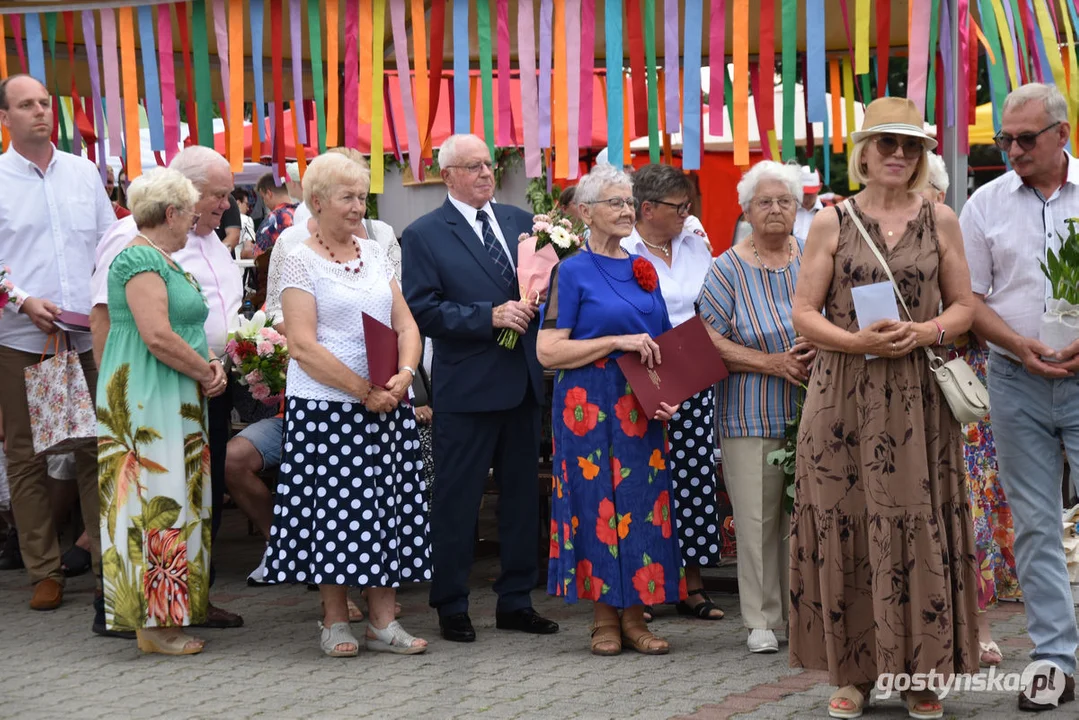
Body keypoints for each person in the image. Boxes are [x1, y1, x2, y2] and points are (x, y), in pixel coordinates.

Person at [789, 96, 979, 719]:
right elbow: (804, 313)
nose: (898, 155)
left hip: (920, 398)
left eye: (911, 146)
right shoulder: (831, 222)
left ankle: (924, 674)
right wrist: (854, 342)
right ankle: (855, 675)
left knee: (919, 523)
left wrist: (926, 333)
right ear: (863, 152)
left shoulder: (941, 218)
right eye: (886, 143)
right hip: (843, 394)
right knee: (848, 523)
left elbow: (964, 308)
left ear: (922, 155)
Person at [264, 152, 431, 657]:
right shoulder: (299, 257)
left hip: (387, 402)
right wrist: (364, 390)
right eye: (348, 197)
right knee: (333, 515)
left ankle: (383, 623)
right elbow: (302, 344)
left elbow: (406, 324)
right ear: (317, 202)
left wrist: (403, 377)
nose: (359, 207)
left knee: (386, 512)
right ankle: (335, 621)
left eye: (362, 197)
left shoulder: (376, 251)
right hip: (328, 409)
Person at [402, 133, 559, 642]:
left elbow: (541, 283)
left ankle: (516, 600)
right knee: (457, 499)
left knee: (520, 501)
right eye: (472, 167)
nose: (485, 174)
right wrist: (486, 316)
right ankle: (451, 603)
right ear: (447, 177)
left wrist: (537, 298)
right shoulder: (425, 233)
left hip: (521, 384)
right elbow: (421, 309)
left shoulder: (518, 222)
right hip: (467, 387)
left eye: (488, 164)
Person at [90, 145, 245, 630]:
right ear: (176, 207)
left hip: (188, 391)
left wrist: (214, 363)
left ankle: (184, 603)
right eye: (213, 198)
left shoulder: (176, 250)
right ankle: (148, 618)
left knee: (187, 499)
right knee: (157, 502)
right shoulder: (135, 251)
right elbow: (145, 331)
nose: (219, 208)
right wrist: (202, 369)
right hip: (152, 393)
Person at [960, 82, 1079, 711]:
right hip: (1014, 378)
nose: (1013, 149)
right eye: (1006, 139)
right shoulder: (984, 204)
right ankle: (1055, 659)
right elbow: (970, 299)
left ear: (1062, 133)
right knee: (1033, 526)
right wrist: (1018, 344)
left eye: (1026, 139)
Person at [538, 164, 683, 656]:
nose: (626, 210)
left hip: (641, 408)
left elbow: (662, 343)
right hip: (587, 408)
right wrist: (615, 342)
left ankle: (636, 617)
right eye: (614, 203)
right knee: (595, 504)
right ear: (585, 212)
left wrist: (673, 394)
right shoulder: (571, 270)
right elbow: (548, 351)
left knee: (643, 506)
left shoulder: (644, 269)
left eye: (628, 202)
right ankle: (603, 618)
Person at [0, 74, 114, 616]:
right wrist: (21, 300)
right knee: (27, 457)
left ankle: (104, 566)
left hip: (85, 331)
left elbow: (109, 242)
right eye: (26, 105)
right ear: (5, 118)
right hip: (21, 336)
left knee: (97, 446)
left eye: (45, 103)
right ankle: (44, 570)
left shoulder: (83, 171)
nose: (40, 112)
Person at [697, 160, 814, 654]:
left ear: (799, 206)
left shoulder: (813, 256)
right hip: (748, 413)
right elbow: (705, 337)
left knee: (806, 515)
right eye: (764, 201)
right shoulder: (726, 267)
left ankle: (804, 613)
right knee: (757, 519)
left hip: (814, 409)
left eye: (784, 200)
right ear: (746, 210)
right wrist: (771, 363)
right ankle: (761, 619)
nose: (774, 209)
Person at [924, 152, 1018, 670]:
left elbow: (980, 313)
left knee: (971, 516)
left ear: (940, 196)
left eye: (927, 189)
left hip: (964, 395)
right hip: (904, 386)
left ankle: (979, 629)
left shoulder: (958, 239)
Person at [622, 163, 724, 622]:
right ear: (647, 209)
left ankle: (692, 584)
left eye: (688, 206)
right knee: (643, 483)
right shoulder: (622, 249)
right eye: (678, 207)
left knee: (694, 479)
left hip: (694, 373)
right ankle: (643, 587)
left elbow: (711, 306)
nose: (687, 214)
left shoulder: (695, 245)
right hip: (640, 376)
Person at [254, 172, 297, 256]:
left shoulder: (274, 219)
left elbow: (259, 254)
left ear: (269, 194)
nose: (265, 202)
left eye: (263, 198)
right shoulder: (302, 212)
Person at [792, 165, 823, 241]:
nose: (805, 198)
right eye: (803, 193)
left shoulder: (829, 210)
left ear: (820, 187)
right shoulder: (789, 209)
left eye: (810, 194)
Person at [232, 189, 257, 259]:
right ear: (238, 203)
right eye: (246, 204)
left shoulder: (218, 220)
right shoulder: (246, 220)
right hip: (238, 266)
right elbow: (248, 250)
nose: (248, 208)